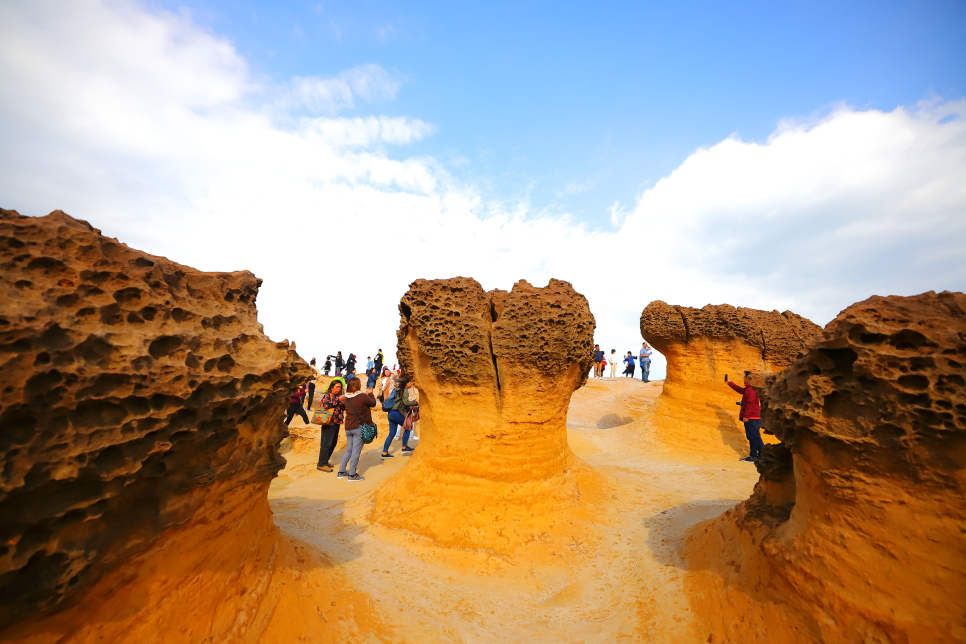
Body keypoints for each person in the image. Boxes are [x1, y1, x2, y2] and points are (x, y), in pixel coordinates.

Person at [338, 377, 376, 481]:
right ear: (357, 385)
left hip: (348, 427)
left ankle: (341, 471)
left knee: (349, 450)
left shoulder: (346, 397)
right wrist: (370, 393)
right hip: (358, 427)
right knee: (356, 451)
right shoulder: (362, 396)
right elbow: (373, 403)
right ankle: (352, 474)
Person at [725, 371, 764, 463]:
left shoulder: (750, 391)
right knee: (756, 437)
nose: (743, 378)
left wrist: (746, 416)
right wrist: (729, 383)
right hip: (756, 417)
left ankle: (753, 457)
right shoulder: (751, 389)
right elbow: (740, 390)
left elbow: (750, 404)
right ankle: (762, 455)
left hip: (752, 418)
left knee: (752, 437)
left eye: (744, 377)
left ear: (749, 379)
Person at [381, 375, 417, 458]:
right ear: (406, 383)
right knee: (408, 427)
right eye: (409, 382)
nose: (411, 384)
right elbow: (406, 403)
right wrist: (416, 403)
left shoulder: (395, 390)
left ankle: (384, 453)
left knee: (391, 434)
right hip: (397, 413)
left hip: (391, 413)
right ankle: (404, 447)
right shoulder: (404, 390)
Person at [317, 379, 346, 472]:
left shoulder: (338, 396)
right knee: (326, 444)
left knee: (333, 443)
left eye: (340, 387)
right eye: (337, 387)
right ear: (331, 388)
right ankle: (321, 464)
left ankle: (325, 461)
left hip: (336, 422)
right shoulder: (327, 396)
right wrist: (339, 400)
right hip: (328, 423)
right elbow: (326, 405)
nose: (339, 389)